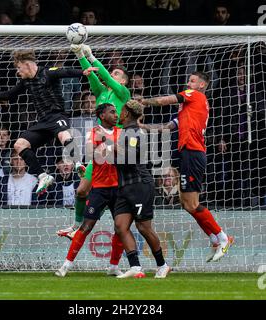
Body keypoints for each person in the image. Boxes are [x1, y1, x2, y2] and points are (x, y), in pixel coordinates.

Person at [0, 49, 96, 196]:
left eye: (18, 67)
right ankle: (43, 176)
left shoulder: (48, 72)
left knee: (63, 135)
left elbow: (65, 72)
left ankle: (78, 164)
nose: (18, 71)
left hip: (57, 116)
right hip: (43, 122)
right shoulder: (26, 81)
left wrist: (83, 72)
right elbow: (9, 95)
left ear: (26, 64)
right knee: (19, 145)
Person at [142, 71, 233, 262]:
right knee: (186, 203)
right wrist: (143, 127)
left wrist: (144, 101)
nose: (188, 83)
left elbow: (167, 100)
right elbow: (167, 127)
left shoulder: (196, 96)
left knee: (191, 203)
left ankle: (223, 238)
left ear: (202, 85)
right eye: (188, 80)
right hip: (188, 153)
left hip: (193, 152)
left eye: (192, 81)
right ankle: (214, 239)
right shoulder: (187, 109)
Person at [59, 44, 131, 238]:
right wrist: (79, 54)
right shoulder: (101, 94)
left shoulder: (123, 94)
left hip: (118, 149)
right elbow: (91, 75)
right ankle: (75, 227)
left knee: (117, 202)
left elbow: (104, 76)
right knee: (82, 191)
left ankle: (127, 259)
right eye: (112, 72)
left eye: (116, 73)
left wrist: (92, 57)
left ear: (123, 81)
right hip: (99, 149)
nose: (111, 75)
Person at [55, 103, 124, 277]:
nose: (116, 115)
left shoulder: (120, 132)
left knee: (121, 228)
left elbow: (123, 156)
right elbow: (96, 155)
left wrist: (107, 145)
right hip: (99, 187)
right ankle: (66, 265)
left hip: (119, 187)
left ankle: (114, 266)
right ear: (102, 115)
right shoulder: (91, 133)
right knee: (86, 227)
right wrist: (112, 148)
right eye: (112, 112)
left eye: (116, 112)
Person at [113, 100, 171, 278]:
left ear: (128, 114)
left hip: (139, 184)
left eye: (121, 110)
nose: (119, 114)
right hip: (125, 186)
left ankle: (162, 265)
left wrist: (112, 147)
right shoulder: (126, 132)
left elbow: (130, 158)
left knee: (143, 227)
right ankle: (135, 267)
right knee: (120, 226)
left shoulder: (133, 133)